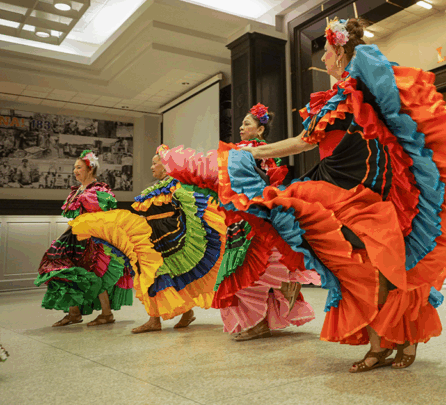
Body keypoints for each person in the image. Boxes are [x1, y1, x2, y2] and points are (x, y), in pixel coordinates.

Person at [166, 19, 446, 370]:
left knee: (387, 261)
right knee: (363, 264)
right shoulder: (335, 98)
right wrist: (255, 153)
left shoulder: (360, 89)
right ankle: (382, 341)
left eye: (326, 51)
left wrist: (258, 153)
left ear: (339, 52)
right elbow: (306, 140)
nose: (322, 58)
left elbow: (383, 118)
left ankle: (400, 340)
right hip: (337, 183)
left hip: (370, 185)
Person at [162, 105, 320, 341]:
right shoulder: (248, 152)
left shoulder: (253, 152)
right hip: (245, 217)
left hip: (252, 217)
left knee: (249, 269)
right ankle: (268, 308)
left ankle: (261, 317)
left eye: (247, 123)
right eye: (242, 123)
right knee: (254, 268)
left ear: (260, 129)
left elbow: (262, 184)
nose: (241, 127)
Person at [69, 145, 227, 334]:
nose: (152, 167)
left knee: (158, 275)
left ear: (166, 164)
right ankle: (173, 315)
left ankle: (158, 319)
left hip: (170, 238)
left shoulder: (176, 186)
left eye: (155, 163)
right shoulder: (158, 188)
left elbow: (191, 205)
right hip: (154, 236)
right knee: (158, 275)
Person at [35, 151, 134, 327]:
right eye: (74, 167)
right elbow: (76, 219)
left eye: (79, 167)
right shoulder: (79, 190)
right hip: (74, 235)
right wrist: (64, 234)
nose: (75, 171)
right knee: (67, 270)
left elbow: (102, 217)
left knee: (95, 272)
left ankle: (106, 313)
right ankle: (74, 312)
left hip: (91, 238)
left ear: (90, 169)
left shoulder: (96, 191)